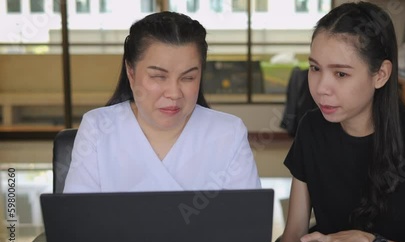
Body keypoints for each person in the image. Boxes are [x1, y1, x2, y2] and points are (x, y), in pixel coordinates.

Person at [278, 2, 405, 242]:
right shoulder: (311, 128)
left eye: (340, 73)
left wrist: (368, 241)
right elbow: (294, 237)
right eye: (315, 68)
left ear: (381, 74)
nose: (321, 88)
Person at [64, 11, 261, 193]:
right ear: (131, 73)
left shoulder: (228, 133)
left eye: (188, 78)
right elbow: (78, 221)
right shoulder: (98, 128)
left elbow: (247, 223)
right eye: (158, 77)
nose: (174, 93)